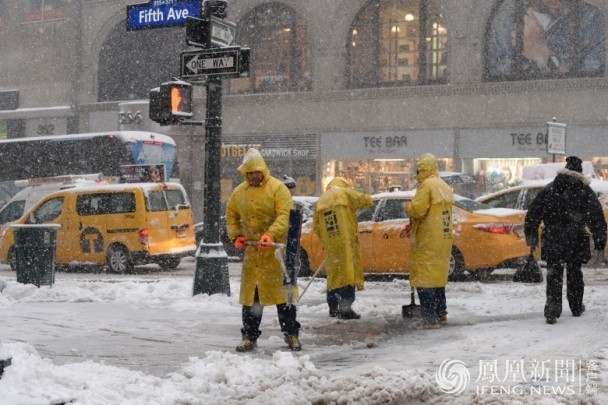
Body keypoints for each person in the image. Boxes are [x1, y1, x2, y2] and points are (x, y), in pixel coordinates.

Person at [225, 148, 301, 351]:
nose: (253, 176)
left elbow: (284, 215)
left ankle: (291, 335)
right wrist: (236, 236)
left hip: (277, 255)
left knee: (284, 298)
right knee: (252, 300)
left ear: (263, 170)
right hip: (253, 255)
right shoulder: (239, 193)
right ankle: (249, 336)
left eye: (256, 172)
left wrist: (271, 234)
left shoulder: (278, 189)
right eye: (249, 173)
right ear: (244, 174)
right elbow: (231, 215)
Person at [524, 156, 607, 325]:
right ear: (580, 173)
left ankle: (552, 309)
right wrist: (600, 241)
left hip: (553, 236)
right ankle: (576, 306)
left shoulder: (550, 189)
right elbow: (596, 217)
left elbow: (533, 214)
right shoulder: (584, 191)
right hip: (575, 237)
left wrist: (532, 237)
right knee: (575, 271)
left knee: (554, 273)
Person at [486, 0, 605, 79]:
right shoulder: (506, 20)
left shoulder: (590, 18)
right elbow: (501, 89)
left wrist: (544, 56)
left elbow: (588, 90)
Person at [405, 153, 454, 330]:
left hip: (428, 239)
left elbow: (418, 209)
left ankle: (429, 319)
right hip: (443, 238)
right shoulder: (443, 186)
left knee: (424, 279)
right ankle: (441, 314)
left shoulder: (427, 186)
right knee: (437, 278)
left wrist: (408, 207)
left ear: (422, 169)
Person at [313, 177, 372, 319]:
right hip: (345, 241)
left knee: (334, 275)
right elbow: (367, 200)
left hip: (331, 244)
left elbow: (317, 227)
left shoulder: (320, 201)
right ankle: (345, 309)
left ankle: (333, 307)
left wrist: (328, 240)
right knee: (347, 274)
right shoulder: (344, 193)